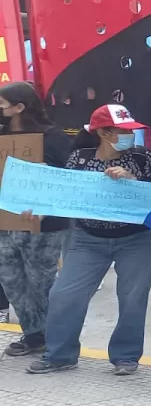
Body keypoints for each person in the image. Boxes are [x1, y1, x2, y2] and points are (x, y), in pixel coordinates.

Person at [28, 105, 151, 374]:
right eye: (122, 131)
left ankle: (125, 356)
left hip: (137, 240)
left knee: (132, 298)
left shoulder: (142, 157)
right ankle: (60, 354)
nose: (130, 136)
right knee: (64, 294)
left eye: (130, 130)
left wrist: (132, 180)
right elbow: (66, 197)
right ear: (103, 132)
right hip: (87, 239)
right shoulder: (78, 158)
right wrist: (39, 207)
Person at [0, 82, 72, 357]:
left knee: (41, 280)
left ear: (19, 107)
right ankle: (32, 334)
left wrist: (48, 171)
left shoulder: (52, 136)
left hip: (43, 223)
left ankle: (55, 335)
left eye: (3, 105)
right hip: (6, 220)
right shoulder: (3, 133)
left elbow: (68, 176)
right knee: (11, 279)